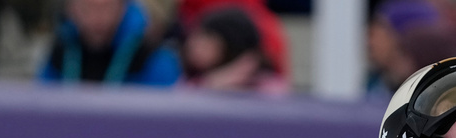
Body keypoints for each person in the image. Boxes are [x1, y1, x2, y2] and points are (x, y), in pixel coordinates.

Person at [38, 0, 180, 86]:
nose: (97, 19)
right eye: (87, 8)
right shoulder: (59, 53)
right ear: (71, 8)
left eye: (106, 7)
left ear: (122, 6)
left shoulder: (152, 57)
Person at [181, 5, 289, 93]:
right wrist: (214, 82)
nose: (193, 46)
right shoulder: (193, 80)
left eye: (207, 43)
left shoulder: (266, 85)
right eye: (196, 38)